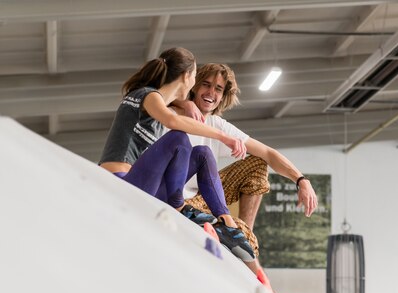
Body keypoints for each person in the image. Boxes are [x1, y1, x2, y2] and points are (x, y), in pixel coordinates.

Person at [98, 47, 256, 263]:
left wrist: (185, 104)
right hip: (120, 183)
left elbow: (171, 108)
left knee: (203, 153)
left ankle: (227, 224)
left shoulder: (157, 100)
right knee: (178, 138)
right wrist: (223, 136)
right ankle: (178, 206)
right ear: (187, 76)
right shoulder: (146, 95)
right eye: (195, 78)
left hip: (143, 186)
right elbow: (172, 121)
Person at [176, 63, 318, 261]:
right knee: (245, 237)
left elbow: (268, 153)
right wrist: (183, 103)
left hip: (204, 196)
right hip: (179, 200)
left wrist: (302, 180)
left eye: (218, 89)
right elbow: (155, 97)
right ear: (194, 86)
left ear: (224, 95)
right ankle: (242, 238)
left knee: (257, 162)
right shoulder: (173, 113)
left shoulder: (217, 124)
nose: (211, 93)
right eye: (206, 85)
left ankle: (242, 234)